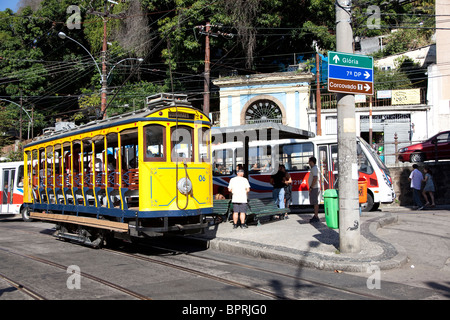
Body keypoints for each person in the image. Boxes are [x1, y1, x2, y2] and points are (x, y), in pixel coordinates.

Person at [308, 156, 320, 223]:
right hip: (314, 187)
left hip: (314, 187)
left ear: (312, 162)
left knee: (315, 202)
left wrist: (311, 187)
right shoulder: (314, 168)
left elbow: (315, 178)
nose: (308, 163)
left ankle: (316, 216)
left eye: (309, 161)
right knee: (314, 202)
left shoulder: (314, 169)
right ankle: (315, 216)